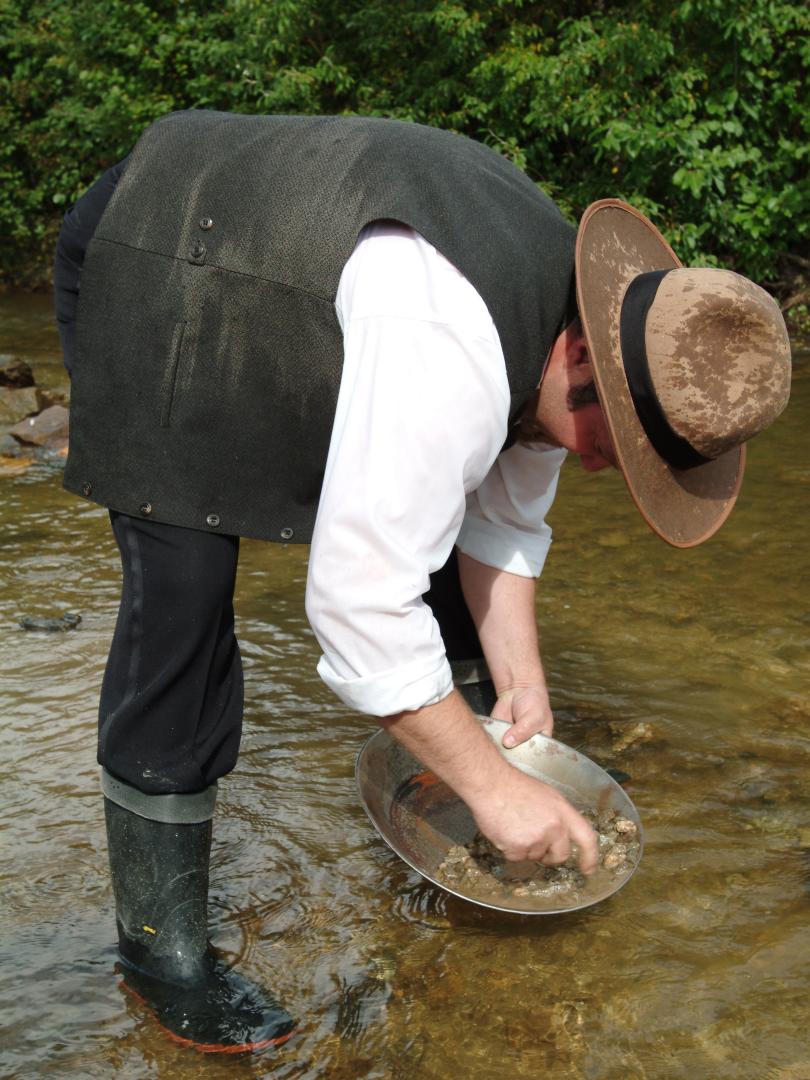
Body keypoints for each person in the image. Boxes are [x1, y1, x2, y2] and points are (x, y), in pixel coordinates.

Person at [54, 110, 791, 1054]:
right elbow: (355, 603)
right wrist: (496, 791)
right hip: (159, 252)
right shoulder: (455, 346)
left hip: (288, 278)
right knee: (185, 598)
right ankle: (162, 956)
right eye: (626, 447)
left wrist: (521, 679)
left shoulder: (577, 336)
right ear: (584, 360)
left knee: (445, 575)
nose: (619, 471)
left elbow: (506, 515)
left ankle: (452, 781)